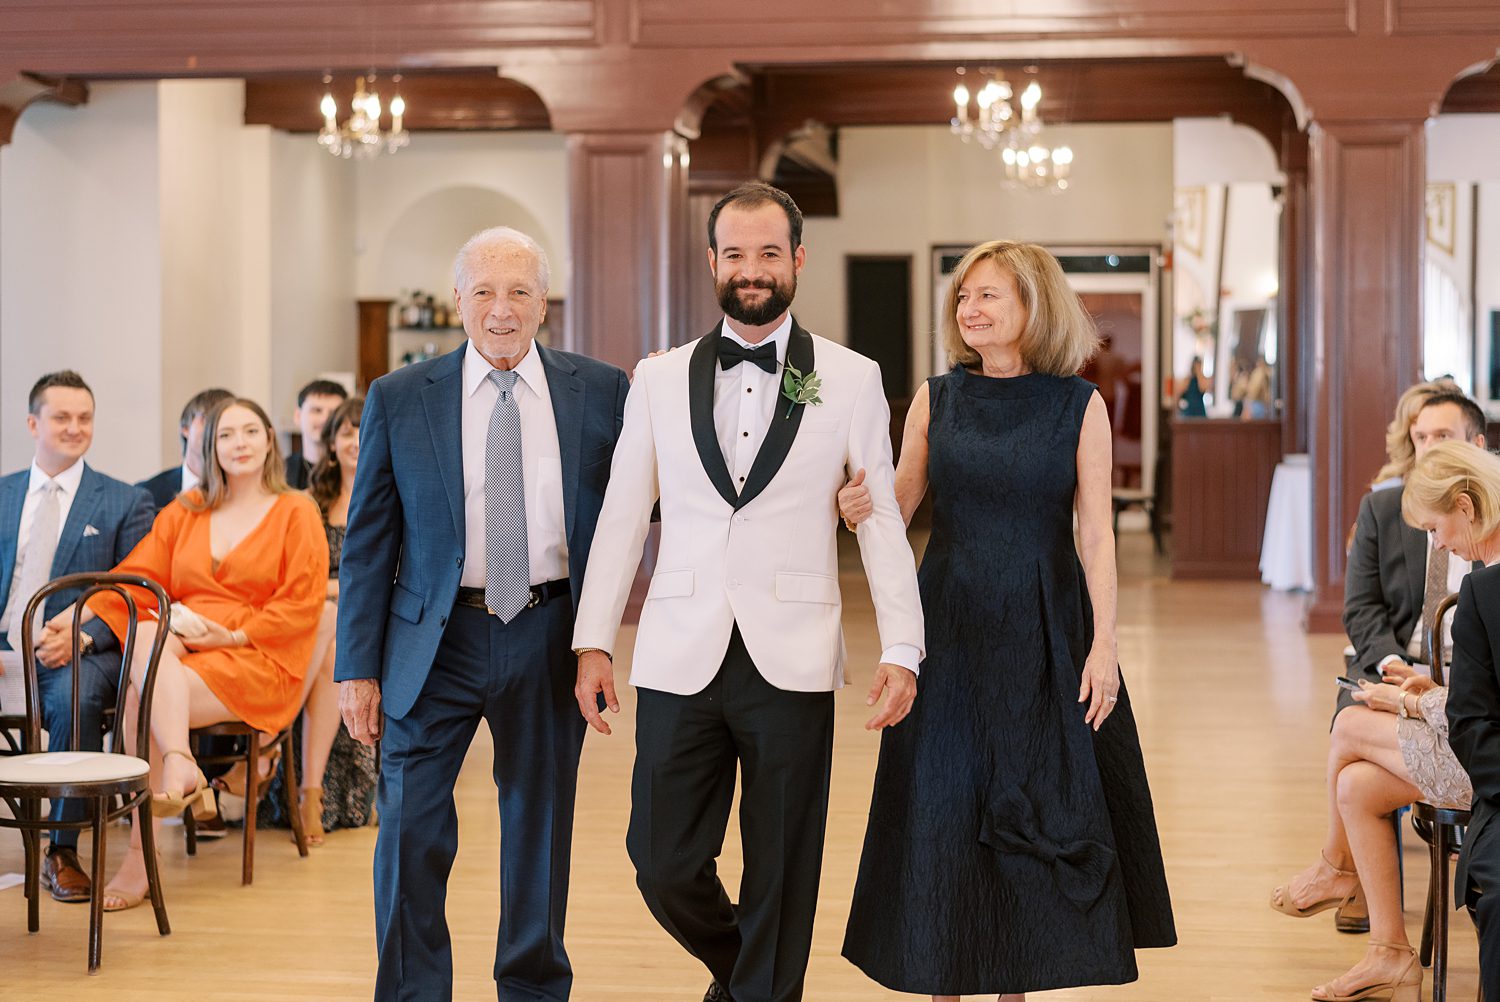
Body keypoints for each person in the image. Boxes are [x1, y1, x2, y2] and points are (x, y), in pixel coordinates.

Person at [572, 181, 925, 1002]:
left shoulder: (850, 376)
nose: (753, 269)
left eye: (770, 252)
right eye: (736, 253)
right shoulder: (657, 379)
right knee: (659, 860)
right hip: (676, 649)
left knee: (783, 866)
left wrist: (903, 647)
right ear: (712, 262)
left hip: (792, 654)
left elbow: (877, 521)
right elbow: (624, 516)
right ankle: (752, 981)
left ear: (798, 259)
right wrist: (594, 642)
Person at [837, 240, 1174, 999]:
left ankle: (1016, 983)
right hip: (949, 622)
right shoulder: (938, 397)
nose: (971, 310)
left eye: (989, 295)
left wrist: (1106, 645)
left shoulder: (1077, 404)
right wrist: (856, 505)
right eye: (964, 298)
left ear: (1033, 307)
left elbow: (1095, 534)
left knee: (1031, 800)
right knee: (945, 801)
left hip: (1045, 627)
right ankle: (940, 979)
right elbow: (897, 505)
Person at [335, 226, 630, 1001]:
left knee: (537, 828)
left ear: (544, 304)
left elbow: (646, 506)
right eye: (486, 292)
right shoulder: (400, 397)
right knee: (407, 830)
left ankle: (531, 990)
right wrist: (356, 668)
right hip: (431, 640)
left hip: (547, 631)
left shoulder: (601, 391)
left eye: (521, 292)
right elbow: (368, 542)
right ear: (458, 297)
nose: (502, 311)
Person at [64, 396, 328, 911]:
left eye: (251, 431)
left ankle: (140, 861)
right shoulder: (187, 510)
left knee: (140, 700)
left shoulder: (296, 509)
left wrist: (227, 637)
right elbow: (135, 580)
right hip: (180, 652)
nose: (240, 444)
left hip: (257, 655)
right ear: (207, 446)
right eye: (226, 435)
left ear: (270, 440)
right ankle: (182, 763)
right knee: (143, 635)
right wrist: (70, 617)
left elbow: (302, 604)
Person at [1271, 439, 1495, 1002]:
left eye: (1437, 529)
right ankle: (1389, 953)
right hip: (1477, 734)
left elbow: (1480, 715)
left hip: (1489, 763)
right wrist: (1432, 688)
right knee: (1356, 786)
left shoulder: (1486, 585)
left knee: (1349, 727)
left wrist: (1414, 702)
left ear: (1466, 507)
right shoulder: (1484, 574)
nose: (1437, 543)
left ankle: (1333, 867)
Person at [0, 370, 154, 903]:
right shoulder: (1, 494)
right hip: (5, 649)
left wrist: (84, 637)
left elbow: (136, 597)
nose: (74, 428)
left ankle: (61, 850)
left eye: (84, 418)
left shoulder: (123, 501)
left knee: (75, 694)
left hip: (84, 652)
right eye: (61, 417)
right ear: (33, 422)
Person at [261, 395, 376, 844]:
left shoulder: (394, 494)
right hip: (309, 625)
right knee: (330, 652)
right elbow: (287, 578)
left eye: (363, 430)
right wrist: (329, 592)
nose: (356, 440)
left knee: (333, 642)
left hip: (369, 622)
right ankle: (310, 792)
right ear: (331, 444)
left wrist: (329, 589)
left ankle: (276, 760)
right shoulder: (306, 504)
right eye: (346, 432)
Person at [1344, 386, 1482, 706]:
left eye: (1443, 437)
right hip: (1396, 663)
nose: (1430, 449)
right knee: (1348, 730)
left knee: (1353, 743)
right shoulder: (1382, 509)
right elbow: (1361, 607)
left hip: (1470, 673)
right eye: (1421, 438)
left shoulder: (1490, 515)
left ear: (1476, 444)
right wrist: (1393, 665)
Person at [137, 387, 235, 511]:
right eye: (207, 419)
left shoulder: (246, 490)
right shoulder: (148, 493)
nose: (215, 428)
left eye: (224, 421)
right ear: (185, 428)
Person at [284, 379, 349, 490]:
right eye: (317, 410)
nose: (325, 419)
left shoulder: (354, 471)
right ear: (298, 416)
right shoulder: (282, 472)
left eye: (333, 413)